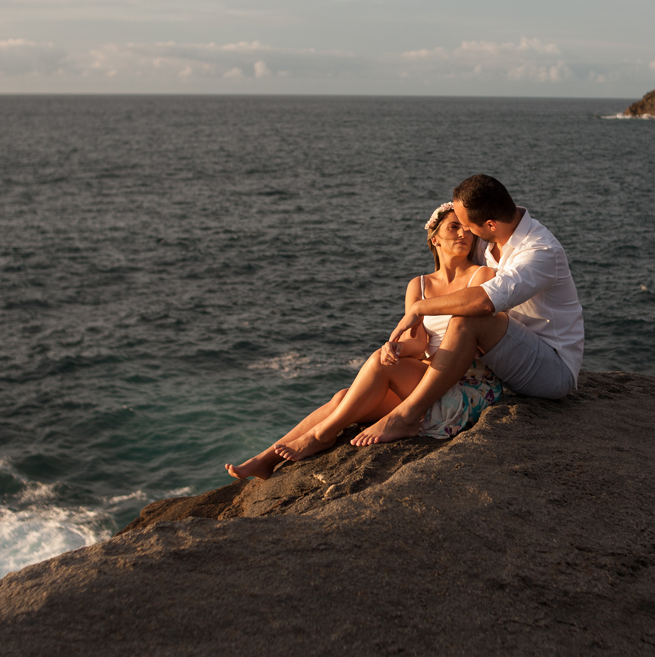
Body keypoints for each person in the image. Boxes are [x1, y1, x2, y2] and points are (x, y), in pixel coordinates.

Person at [225, 202, 505, 480]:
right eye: (453, 227)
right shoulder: (419, 285)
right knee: (344, 398)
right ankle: (265, 459)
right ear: (434, 238)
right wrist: (396, 347)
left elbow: (483, 317)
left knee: (377, 367)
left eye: (467, 229)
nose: (463, 235)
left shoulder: (481, 275)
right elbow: (418, 344)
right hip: (428, 377)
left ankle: (321, 435)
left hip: (465, 382)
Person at [351, 174, 583, 447]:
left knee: (468, 320)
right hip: (503, 356)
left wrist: (419, 308)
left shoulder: (540, 252)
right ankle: (316, 434)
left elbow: (484, 301)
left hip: (551, 369)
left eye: (468, 226)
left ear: (490, 224)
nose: (465, 233)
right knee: (351, 395)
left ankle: (408, 416)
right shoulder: (489, 240)